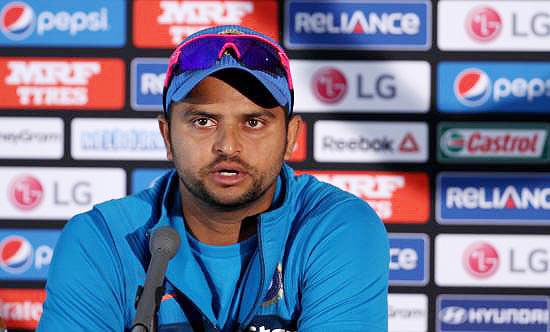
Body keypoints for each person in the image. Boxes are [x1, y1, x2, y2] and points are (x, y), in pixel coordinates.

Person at [37, 25, 389, 332]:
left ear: (291, 137)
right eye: (203, 121)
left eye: (253, 122)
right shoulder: (103, 240)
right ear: (167, 136)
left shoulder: (335, 227)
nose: (227, 146)